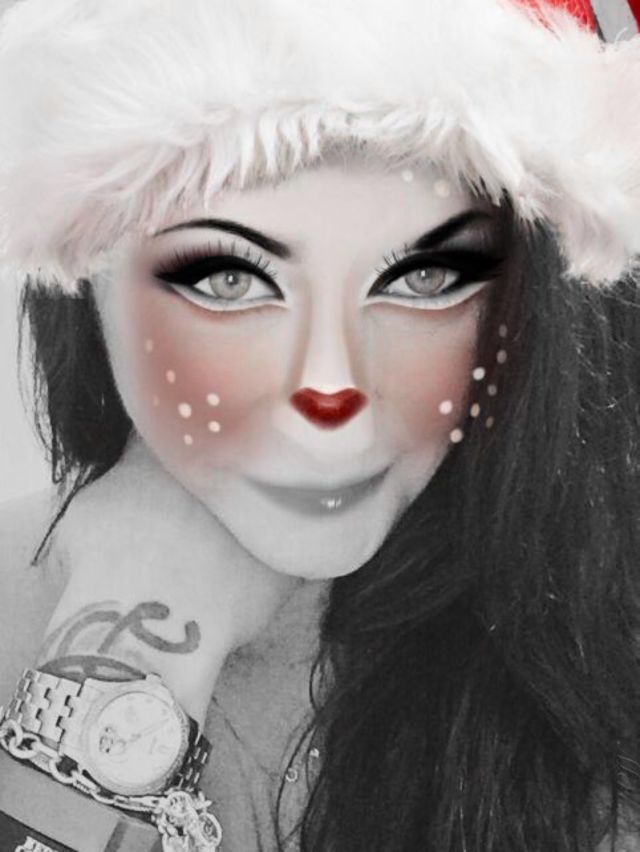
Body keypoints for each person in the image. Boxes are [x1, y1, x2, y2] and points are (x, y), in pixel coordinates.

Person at [0, 0, 639, 849]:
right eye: (229, 279)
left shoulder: (606, 654)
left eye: (424, 279)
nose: (332, 394)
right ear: (87, 277)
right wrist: (125, 659)